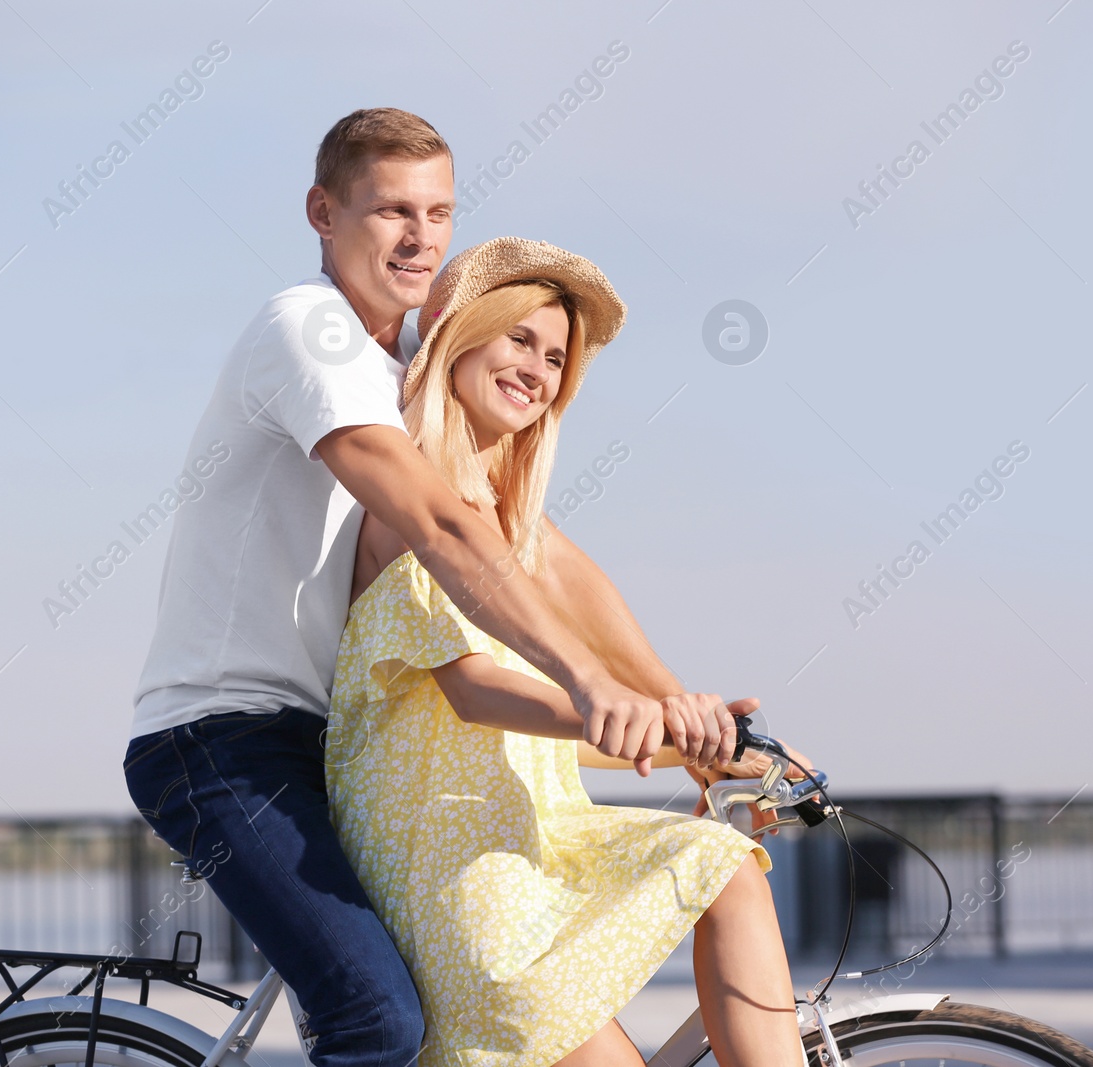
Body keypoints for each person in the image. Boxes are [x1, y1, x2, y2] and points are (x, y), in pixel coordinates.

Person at [122, 109, 752, 1067]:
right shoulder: (311, 331)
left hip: (329, 745)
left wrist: (680, 718)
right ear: (323, 213)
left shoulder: (412, 382)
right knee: (376, 1019)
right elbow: (441, 525)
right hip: (221, 739)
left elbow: (551, 560)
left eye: (438, 212)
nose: (418, 237)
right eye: (390, 211)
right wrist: (587, 685)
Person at [326, 237, 808, 1067]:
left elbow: (576, 698)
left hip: (538, 848)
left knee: (726, 862)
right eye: (520, 338)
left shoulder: (511, 526)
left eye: (556, 357)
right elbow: (479, 694)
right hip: (460, 876)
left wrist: (700, 740)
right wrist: (652, 718)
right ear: (461, 335)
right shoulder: (414, 509)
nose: (539, 369)